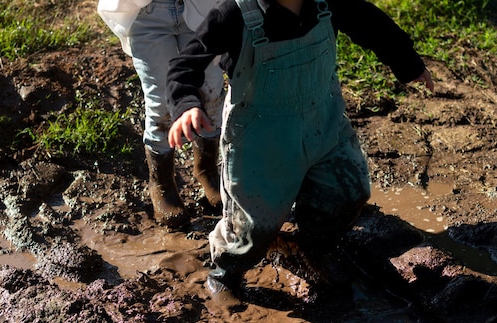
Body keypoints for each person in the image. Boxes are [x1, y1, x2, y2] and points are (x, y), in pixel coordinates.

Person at [166, 0, 434, 299]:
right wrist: (185, 104)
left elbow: (373, 26)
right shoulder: (234, 14)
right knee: (252, 226)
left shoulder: (327, 4)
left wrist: (408, 63)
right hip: (259, 139)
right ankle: (226, 272)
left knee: (348, 192)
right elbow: (184, 65)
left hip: (323, 122)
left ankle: (312, 247)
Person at [98, 0, 226, 228]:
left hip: (202, 7)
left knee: (211, 93)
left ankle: (206, 169)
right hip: (148, 13)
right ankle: (162, 182)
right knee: (161, 103)